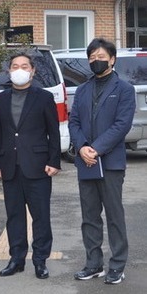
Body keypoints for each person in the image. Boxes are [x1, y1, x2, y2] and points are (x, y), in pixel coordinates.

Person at [69, 38, 135, 285]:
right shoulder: (83, 89)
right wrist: (83, 147)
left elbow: (122, 125)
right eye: (92, 57)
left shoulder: (124, 89)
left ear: (113, 59)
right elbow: (74, 121)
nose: (96, 61)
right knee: (89, 216)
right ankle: (93, 264)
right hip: (86, 162)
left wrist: (95, 149)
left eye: (101, 56)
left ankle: (117, 265)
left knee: (114, 215)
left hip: (111, 163)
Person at [0, 51, 61, 279]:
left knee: (41, 216)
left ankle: (40, 260)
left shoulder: (44, 97)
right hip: (10, 166)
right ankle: (16, 259)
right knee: (14, 215)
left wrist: (54, 161)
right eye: (14, 66)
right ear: (8, 71)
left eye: (24, 66)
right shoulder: (0, 99)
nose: (19, 70)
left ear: (33, 70)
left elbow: (53, 132)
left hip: (38, 166)